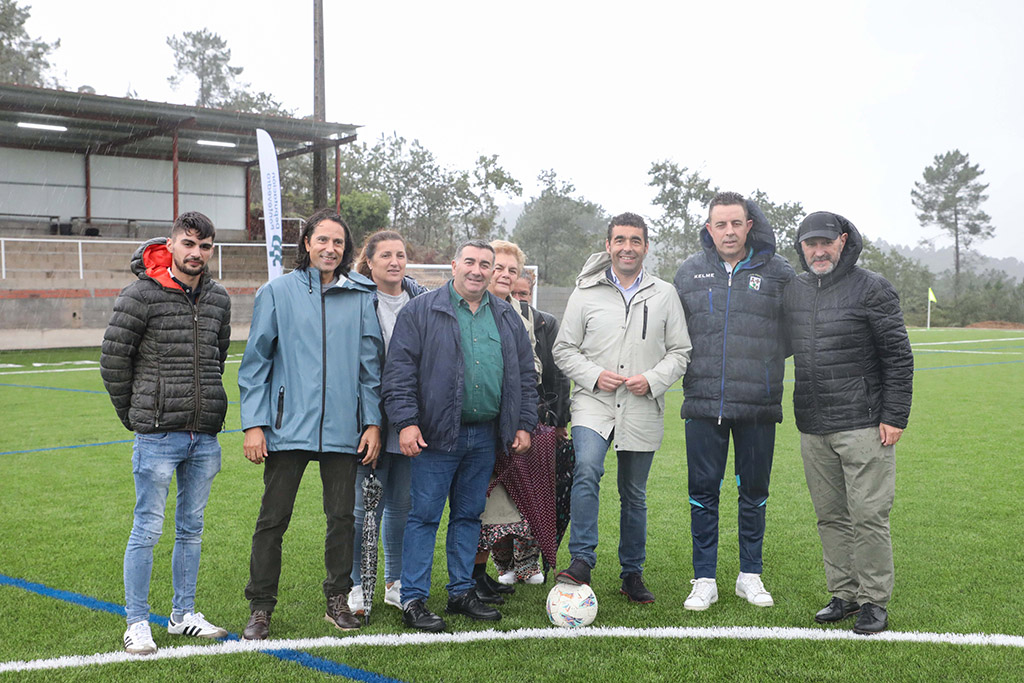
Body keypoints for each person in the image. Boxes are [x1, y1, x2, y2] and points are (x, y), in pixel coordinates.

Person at [238, 209, 384, 640]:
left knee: (342, 519)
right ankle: (261, 607)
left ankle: (337, 600)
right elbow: (256, 363)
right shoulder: (276, 292)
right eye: (322, 240)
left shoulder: (361, 295)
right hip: (286, 429)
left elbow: (370, 368)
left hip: (343, 430)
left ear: (346, 249)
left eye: (338, 242)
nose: (330, 249)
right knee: (272, 521)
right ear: (306, 243)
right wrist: (254, 424)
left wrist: (372, 422)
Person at [383, 239, 538, 632]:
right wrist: (406, 422)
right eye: (470, 262)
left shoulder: (505, 316)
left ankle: (461, 592)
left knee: (469, 516)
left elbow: (524, 376)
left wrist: (523, 423)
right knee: (424, 517)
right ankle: (413, 599)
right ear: (454, 266)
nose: (477, 270)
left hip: (484, 436)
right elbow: (399, 372)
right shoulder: (421, 310)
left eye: (485, 264)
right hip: (434, 437)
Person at [100, 211, 231, 655]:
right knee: (147, 529)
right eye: (189, 244)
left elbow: (218, 355)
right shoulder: (139, 294)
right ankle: (137, 622)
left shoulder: (218, 298)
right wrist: (135, 414)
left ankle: (182, 615)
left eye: (205, 246)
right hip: (156, 434)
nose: (197, 253)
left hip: (204, 435)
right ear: (170, 244)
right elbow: (113, 361)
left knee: (191, 528)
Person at [783, 211, 913, 635]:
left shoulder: (872, 288)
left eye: (826, 242)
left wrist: (894, 416)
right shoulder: (796, 290)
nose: (819, 251)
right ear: (801, 248)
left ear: (843, 241)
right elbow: (777, 343)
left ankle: (874, 601)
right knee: (830, 517)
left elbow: (898, 357)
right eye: (811, 244)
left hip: (864, 425)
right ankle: (844, 594)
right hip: (813, 425)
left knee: (869, 516)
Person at [553, 212, 691, 604]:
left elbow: (680, 352)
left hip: (642, 404)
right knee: (586, 469)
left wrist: (653, 379)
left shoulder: (665, 294)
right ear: (608, 245)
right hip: (593, 402)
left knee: (633, 493)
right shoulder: (585, 293)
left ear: (645, 247)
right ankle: (582, 560)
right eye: (620, 240)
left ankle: (632, 573)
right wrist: (595, 375)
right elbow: (564, 349)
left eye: (635, 240)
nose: (627, 247)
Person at [672, 192, 795, 612]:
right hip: (703, 402)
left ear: (749, 226)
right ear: (709, 229)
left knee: (754, 493)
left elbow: (792, 335)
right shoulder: (689, 272)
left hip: (758, 404)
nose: (729, 231)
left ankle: (750, 575)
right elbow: (675, 333)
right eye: (720, 224)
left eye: (736, 223)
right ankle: (704, 579)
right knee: (702, 494)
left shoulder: (779, 273)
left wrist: (761, 365)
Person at [346, 230, 427, 617]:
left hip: (409, 418)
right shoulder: (358, 300)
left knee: (402, 506)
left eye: (400, 255)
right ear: (370, 261)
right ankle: (357, 585)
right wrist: (369, 421)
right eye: (386, 256)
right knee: (365, 508)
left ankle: (395, 583)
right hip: (370, 419)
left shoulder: (421, 300)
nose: (395, 262)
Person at [473, 241, 549, 597]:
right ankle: (468, 577)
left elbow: (532, 367)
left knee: (497, 505)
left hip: (508, 423)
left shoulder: (521, 315)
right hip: (473, 422)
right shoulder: (470, 307)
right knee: (475, 502)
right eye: (499, 268)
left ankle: (479, 574)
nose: (504, 275)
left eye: (512, 270)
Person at [512, 273, 571, 438]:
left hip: (537, 411)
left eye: (523, 294)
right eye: (512, 293)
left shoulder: (546, 323)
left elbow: (558, 374)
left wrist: (559, 421)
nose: (517, 299)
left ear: (531, 295)